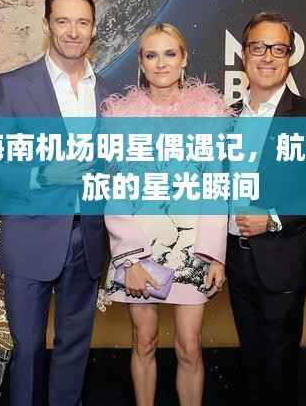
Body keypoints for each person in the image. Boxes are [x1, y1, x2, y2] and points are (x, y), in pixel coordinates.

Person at [0, 0, 109, 406]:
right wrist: (41, 174)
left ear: (94, 29)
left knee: (74, 351)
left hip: (89, 241)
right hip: (30, 240)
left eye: (82, 22)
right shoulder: (13, 86)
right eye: (63, 21)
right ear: (47, 25)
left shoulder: (108, 92)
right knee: (28, 353)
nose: (73, 31)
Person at [103, 23, 229, 406]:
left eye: (170, 54)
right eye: (151, 55)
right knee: (144, 341)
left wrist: (215, 256)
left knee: (190, 346)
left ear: (184, 59)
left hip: (193, 248)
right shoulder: (120, 118)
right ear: (141, 63)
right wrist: (129, 259)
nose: (161, 63)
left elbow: (215, 187)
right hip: (140, 249)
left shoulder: (210, 115)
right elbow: (115, 191)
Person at [226, 11, 306, 406]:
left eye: (278, 48)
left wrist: (274, 218)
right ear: (244, 54)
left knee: (279, 368)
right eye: (258, 47)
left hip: (284, 260)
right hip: (235, 261)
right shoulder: (227, 116)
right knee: (250, 364)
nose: (267, 56)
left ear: (290, 56)